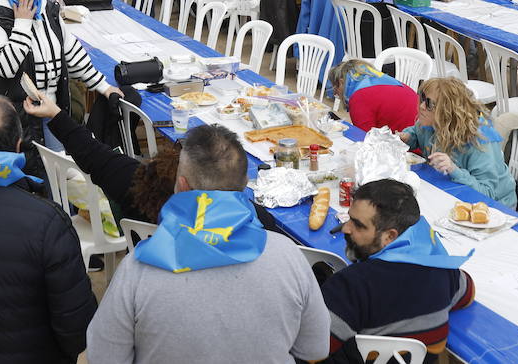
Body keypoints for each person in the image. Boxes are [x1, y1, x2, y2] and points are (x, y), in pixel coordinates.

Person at [85, 124, 330, 364]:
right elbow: (315, 349)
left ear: (181, 185)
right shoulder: (288, 255)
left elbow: (103, 357)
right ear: (245, 184)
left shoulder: (138, 267)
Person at [0, 0, 120, 157]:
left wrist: (103, 87)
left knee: (60, 167)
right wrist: (22, 24)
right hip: (17, 117)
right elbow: (5, 68)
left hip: (52, 107)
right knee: (31, 176)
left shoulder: (49, 11)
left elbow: (72, 53)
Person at [322, 178, 474, 362]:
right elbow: (468, 293)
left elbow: (312, 350)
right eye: (349, 219)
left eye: (358, 224)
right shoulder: (443, 272)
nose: (345, 228)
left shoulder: (349, 286)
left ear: (389, 236)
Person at [400, 78, 517, 206]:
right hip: (449, 192)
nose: (422, 106)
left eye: (429, 104)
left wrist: (453, 169)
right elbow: (417, 133)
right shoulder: (430, 123)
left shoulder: (479, 141)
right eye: (422, 98)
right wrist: (408, 137)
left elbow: (487, 193)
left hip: (495, 206)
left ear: (448, 111)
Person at [326, 59, 418, 132]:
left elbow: (364, 138)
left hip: (406, 147)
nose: (335, 93)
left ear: (341, 83)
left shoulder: (359, 96)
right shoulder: (384, 80)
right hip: (423, 139)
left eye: (335, 88)